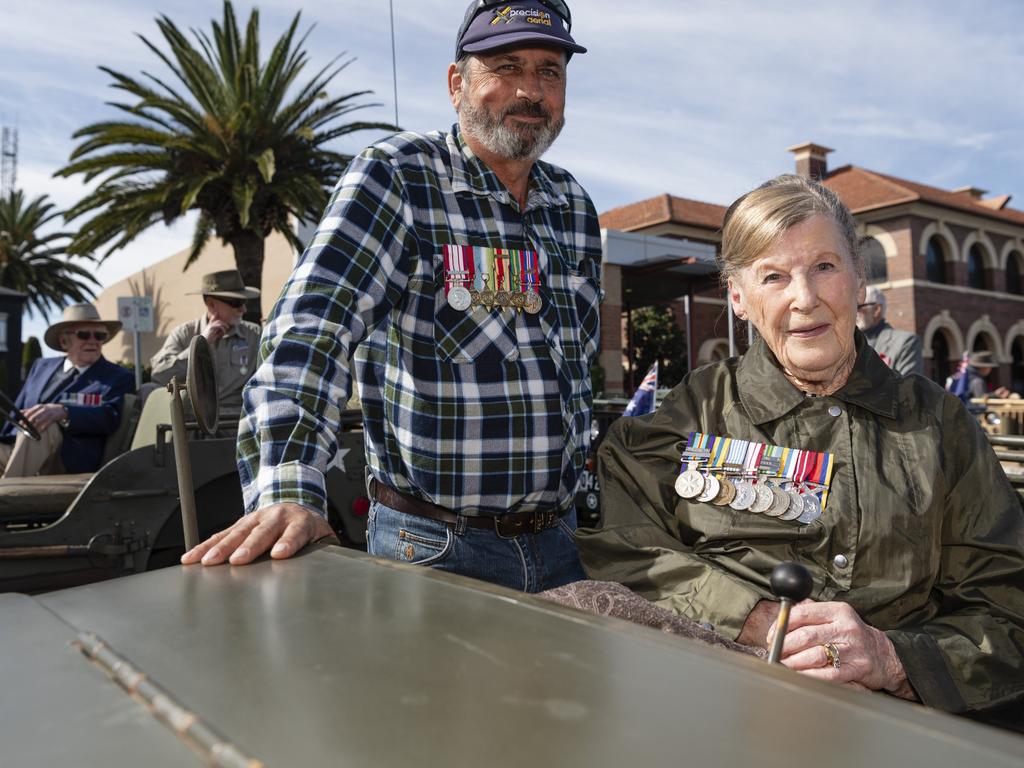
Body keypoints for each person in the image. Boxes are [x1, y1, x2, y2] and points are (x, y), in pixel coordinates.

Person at [182, 0, 601, 593]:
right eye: (506, 66)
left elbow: (577, 378)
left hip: (563, 544)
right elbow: (311, 332)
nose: (530, 90)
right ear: (458, 83)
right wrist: (288, 491)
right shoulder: (399, 176)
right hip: (435, 551)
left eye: (549, 71)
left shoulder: (573, 206)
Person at [576, 175, 1024, 730]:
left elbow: (1006, 607)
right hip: (716, 705)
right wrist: (755, 619)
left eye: (825, 267)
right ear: (738, 298)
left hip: (893, 724)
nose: (804, 298)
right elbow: (624, 548)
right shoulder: (686, 420)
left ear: (860, 279)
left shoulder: (942, 426)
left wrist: (894, 659)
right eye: (773, 276)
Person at [0, 303, 134, 477]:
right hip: (15, 445)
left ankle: (7, 498)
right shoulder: (41, 367)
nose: (93, 341)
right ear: (64, 341)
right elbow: (18, 408)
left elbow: (110, 416)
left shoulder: (117, 377)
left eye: (100, 335)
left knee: (42, 427)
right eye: (84, 334)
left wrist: (65, 412)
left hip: (68, 457)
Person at [150, 269, 262, 423]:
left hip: (237, 423)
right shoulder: (185, 334)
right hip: (193, 424)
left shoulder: (253, 334)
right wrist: (200, 342)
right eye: (236, 303)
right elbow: (160, 375)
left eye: (244, 302)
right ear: (211, 304)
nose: (243, 309)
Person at [855, 285, 923, 376]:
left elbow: (907, 387)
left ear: (876, 310)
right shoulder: (850, 343)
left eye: (858, 307)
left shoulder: (905, 342)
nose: (854, 313)